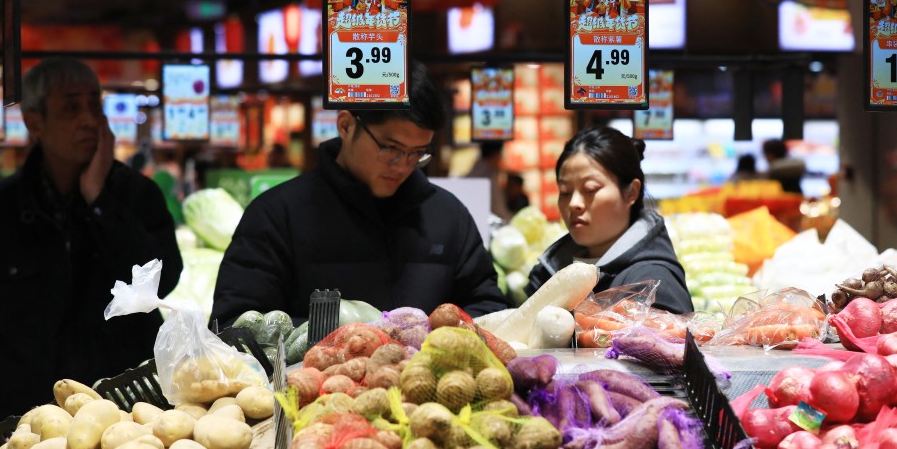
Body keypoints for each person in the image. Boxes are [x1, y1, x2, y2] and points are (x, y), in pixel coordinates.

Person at [211, 63, 507, 327]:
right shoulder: (276, 215)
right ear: (346, 125)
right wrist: (345, 340)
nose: (403, 165)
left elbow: (489, 308)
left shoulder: (448, 215)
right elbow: (235, 324)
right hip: (311, 387)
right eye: (390, 148)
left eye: (417, 153)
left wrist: (430, 340)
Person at [0, 57, 183, 423]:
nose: (90, 119)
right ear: (35, 123)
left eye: (96, 104)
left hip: (130, 409)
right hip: (27, 417)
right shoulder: (0, 211)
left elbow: (164, 280)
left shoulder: (137, 196)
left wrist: (100, 202)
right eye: (71, 108)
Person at [525, 126, 693, 315]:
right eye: (565, 192)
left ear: (631, 193)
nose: (574, 203)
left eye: (590, 189)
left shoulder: (652, 283)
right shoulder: (549, 273)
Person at [466, 141, 512, 221]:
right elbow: (498, 210)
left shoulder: (478, 172)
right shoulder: (487, 177)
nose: (502, 159)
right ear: (496, 155)